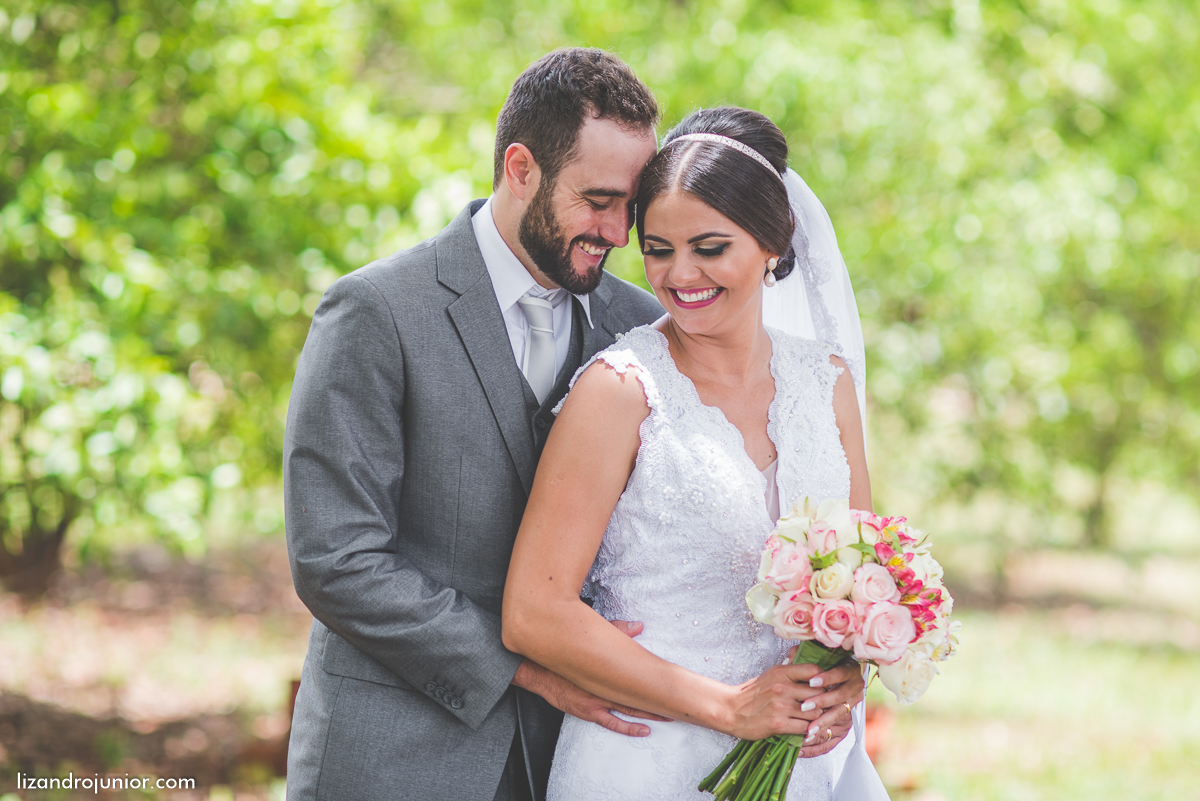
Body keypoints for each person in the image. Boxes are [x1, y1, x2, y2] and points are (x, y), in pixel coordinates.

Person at [283, 49, 668, 801]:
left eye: (632, 204)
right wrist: (526, 663)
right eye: (597, 200)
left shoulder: (642, 327)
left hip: (578, 763)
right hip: (396, 755)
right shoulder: (376, 312)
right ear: (519, 168)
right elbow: (336, 557)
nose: (619, 232)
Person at [502, 107, 871, 800]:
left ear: (772, 242)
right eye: (658, 248)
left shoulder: (829, 382)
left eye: (708, 247)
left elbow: (859, 574)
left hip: (805, 765)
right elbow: (533, 610)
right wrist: (729, 706)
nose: (679, 274)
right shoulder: (620, 391)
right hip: (646, 761)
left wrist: (850, 670)